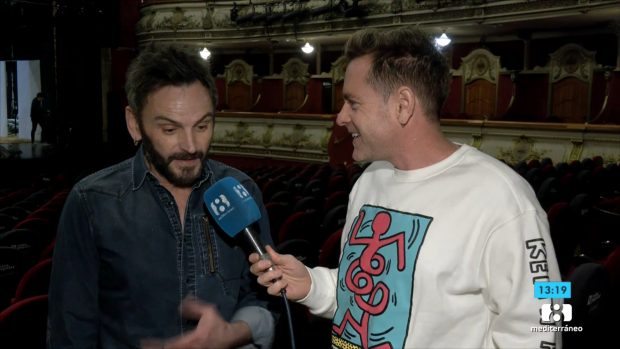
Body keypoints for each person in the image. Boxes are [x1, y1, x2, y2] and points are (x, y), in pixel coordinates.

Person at [250, 26, 562, 348]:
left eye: (353, 104)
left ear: (402, 105)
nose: (341, 117)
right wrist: (313, 284)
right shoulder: (371, 178)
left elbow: (548, 322)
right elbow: (369, 292)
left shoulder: (504, 197)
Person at [48, 44, 276, 348]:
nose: (191, 145)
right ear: (135, 123)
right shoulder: (92, 202)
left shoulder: (240, 190)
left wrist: (234, 333)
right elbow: (71, 331)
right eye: (170, 129)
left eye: (203, 126)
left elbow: (264, 297)